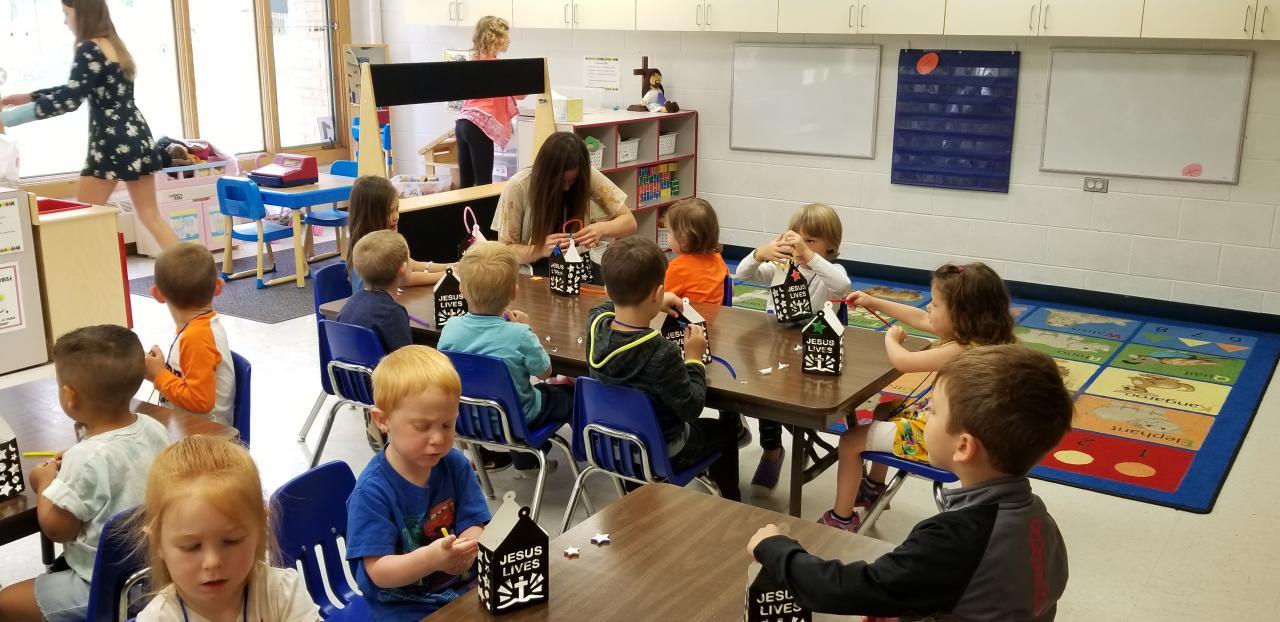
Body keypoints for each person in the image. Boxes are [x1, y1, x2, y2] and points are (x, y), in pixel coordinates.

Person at [748, 345, 1073, 621]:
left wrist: (775, 547)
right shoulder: (1040, 518)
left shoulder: (955, 540)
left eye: (932, 411)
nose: (922, 417)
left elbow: (839, 590)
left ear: (963, 446)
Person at [821, 262, 1016, 532]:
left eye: (935, 304)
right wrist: (874, 302)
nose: (928, 308)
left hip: (942, 438)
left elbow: (904, 362)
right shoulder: (979, 337)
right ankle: (874, 488)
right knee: (884, 411)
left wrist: (892, 340)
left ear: (961, 314)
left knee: (850, 441)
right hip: (954, 426)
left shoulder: (962, 351)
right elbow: (920, 318)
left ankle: (841, 518)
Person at [0, 325, 170, 622]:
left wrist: (44, 482)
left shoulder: (84, 459)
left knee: (4, 602)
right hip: (153, 570)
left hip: (105, 586)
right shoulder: (154, 429)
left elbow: (57, 529)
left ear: (69, 397)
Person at [0, 0, 179, 249]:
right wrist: (29, 97)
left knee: (81, 218)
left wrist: (7, 119)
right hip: (137, 134)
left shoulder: (88, 48)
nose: (65, 21)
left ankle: (84, 272)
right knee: (150, 215)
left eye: (67, 13)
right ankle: (192, 272)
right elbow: (75, 89)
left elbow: (70, 100)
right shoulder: (114, 46)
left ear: (82, 13)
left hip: (110, 142)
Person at [586, 237, 741, 501]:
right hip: (663, 451)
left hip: (613, 445)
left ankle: (636, 492)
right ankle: (731, 506)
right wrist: (693, 359)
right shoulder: (662, 352)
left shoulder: (595, 324)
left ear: (608, 290)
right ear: (658, 292)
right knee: (726, 432)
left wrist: (651, 300)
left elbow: (606, 305)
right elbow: (691, 408)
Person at [346, 346, 491, 621]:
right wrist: (431, 560)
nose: (438, 439)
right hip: (405, 607)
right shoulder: (372, 493)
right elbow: (379, 572)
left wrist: (468, 547)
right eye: (422, 427)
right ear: (383, 420)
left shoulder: (455, 465)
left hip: (462, 588)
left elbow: (474, 522)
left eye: (447, 425)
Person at [732, 202, 852, 495]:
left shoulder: (830, 271)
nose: (800, 246)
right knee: (762, 392)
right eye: (797, 238)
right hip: (777, 348)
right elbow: (742, 274)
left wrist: (810, 256)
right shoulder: (782, 268)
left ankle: (791, 445)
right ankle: (772, 450)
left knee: (790, 396)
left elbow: (842, 285)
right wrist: (761, 253)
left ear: (830, 245)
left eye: (810, 240)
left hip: (814, 351)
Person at [134, 436, 320, 622]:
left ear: (260, 528)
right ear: (157, 543)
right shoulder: (157, 618)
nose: (212, 561)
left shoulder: (282, 593)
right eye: (191, 546)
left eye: (231, 541)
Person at [439, 241, 571, 473]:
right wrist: (528, 329)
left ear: (461, 289)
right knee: (569, 395)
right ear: (514, 292)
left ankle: (526, 460)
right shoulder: (519, 334)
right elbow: (545, 373)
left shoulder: (450, 328)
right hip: (517, 420)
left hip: (469, 420)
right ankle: (579, 454)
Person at [492, 131, 637, 267]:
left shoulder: (587, 175)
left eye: (572, 181)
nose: (567, 187)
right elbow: (504, 251)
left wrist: (601, 229)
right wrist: (539, 250)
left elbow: (629, 222)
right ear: (546, 174)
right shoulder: (519, 186)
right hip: (533, 268)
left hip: (576, 265)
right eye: (560, 181)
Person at [143, 242, 235, 426]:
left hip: (205, 437)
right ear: (218, 286)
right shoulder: (195, 329)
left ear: (157, 294)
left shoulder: (196, 338)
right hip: (190, 428)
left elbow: (201, 402)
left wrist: (158, 375)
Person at [346, 175, 450, 291]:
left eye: (397, 209)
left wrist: (449, 267)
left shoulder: (383, 238)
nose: (396, 216)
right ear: (370, 216)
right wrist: (446, 275)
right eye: (389, 212)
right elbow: (404, 277)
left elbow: (409, 263)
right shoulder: (370, 250)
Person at [456, 16, 516, 188]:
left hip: (462, 123)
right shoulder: (498, 69)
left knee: (466, 184)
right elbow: (520, 93)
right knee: (484, 183)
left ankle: (465, 207)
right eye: (505, 36)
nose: (509, 40)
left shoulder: (472, 63)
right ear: (494, 39)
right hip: (479, 125)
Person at [338, 230, 413, 353]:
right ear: (403, 269)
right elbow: (406, 359)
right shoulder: (393, 313)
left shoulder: (349, 304)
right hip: (384, 366)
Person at [663, 197, 730, 305]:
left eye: (668, 231)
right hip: (717, 314)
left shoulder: (677, 268)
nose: (667, 235)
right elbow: (730, 289)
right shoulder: (717, 258)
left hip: (689, 315)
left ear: (683, 239)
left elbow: (660, 299)